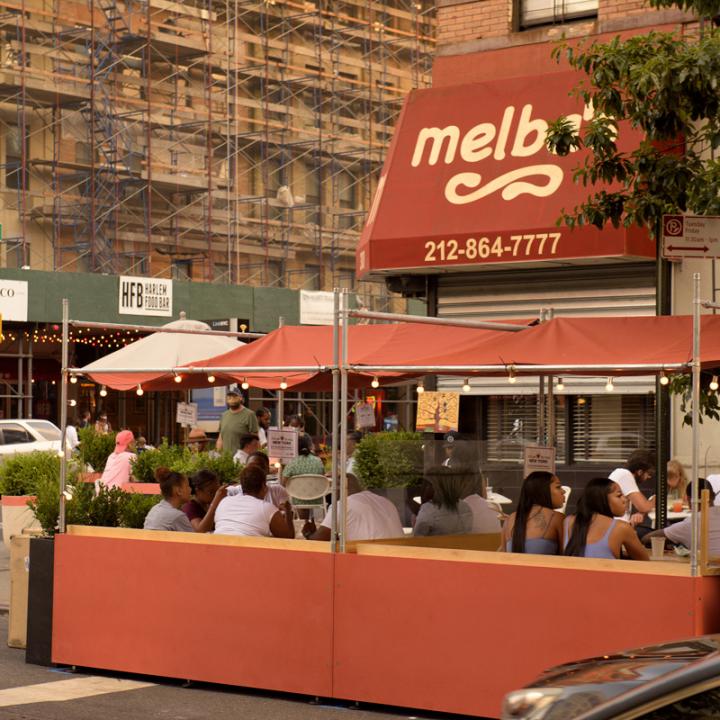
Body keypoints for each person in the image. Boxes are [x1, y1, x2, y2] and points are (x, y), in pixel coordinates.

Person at [564, 478, 649, 560]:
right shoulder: (621, 527)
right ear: (601, 499)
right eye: (619, 495)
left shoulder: (567, 521)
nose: (625, 500)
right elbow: (645, 562)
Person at [305, 473, 403, 541]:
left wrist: (309, 534)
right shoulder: (385, 501)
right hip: (400, 558)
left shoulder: (343, 505)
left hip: (372, 562)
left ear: (339, 488)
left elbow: (318, 540)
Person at [214, 465, 295, 538]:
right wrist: (288, 511)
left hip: (216, 548)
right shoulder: (267, 508)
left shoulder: (224, 502)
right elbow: (288, 538)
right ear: (263, 485)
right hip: (247, 551)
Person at [643, 479, 720, 556]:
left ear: (689, 499)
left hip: (707, 567)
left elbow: (646, 539)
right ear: (713, 496)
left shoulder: (691, 524)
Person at [501, 471, 565, 554]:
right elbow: (567, 558)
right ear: (543, 490)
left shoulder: (509, 520)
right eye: (558, 487)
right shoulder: (557, 518)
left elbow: (503, 558)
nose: (563, 491)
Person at [414, 466, 473, 536]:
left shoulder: (428, 510)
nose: (423, 488)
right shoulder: (465, 506)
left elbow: (418, 538)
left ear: (436, 487)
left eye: (427, 485)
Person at [609, 449, 656, 525]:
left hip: (618, 526)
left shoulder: (622, 474)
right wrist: (655, 499)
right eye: (649, 473)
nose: (649, 477)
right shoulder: (625, 475)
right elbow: (644, 507)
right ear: (640, 472)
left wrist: (639, 514)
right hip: (615, 529)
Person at [143, 467, 194, 532]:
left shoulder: (154, 509)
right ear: (179, 491)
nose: (190, 489)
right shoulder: (178, 516)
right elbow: (194, 540)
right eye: (187, 486)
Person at [215, 390, 258, 457]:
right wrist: (217, 454)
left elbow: (255, 438)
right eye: (229, 396)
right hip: (225, 459)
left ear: (241, 398)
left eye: (235, 396)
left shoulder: (250, 414)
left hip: (242, 459)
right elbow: (220, 438)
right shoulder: (224, 415)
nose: (232, 398)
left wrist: (251, 456)